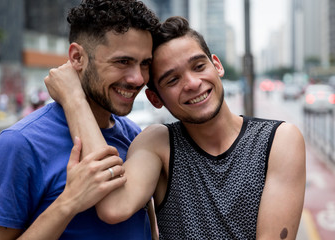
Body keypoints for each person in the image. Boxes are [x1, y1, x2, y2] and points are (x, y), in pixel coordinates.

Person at [45, 16, 306, 239]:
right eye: (173, 80)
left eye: (199, 66)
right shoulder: (158, 142)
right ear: (155, 99)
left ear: (217, 65)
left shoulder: (278, 140)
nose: (192, 83)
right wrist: (74, 100)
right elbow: (113, 207)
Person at [0, 0, 159, 239]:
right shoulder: (20, 143)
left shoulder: (134, 135)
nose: (138, 78)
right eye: (122, 62)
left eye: (145, 63)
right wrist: (69, 201)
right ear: (77, 57)